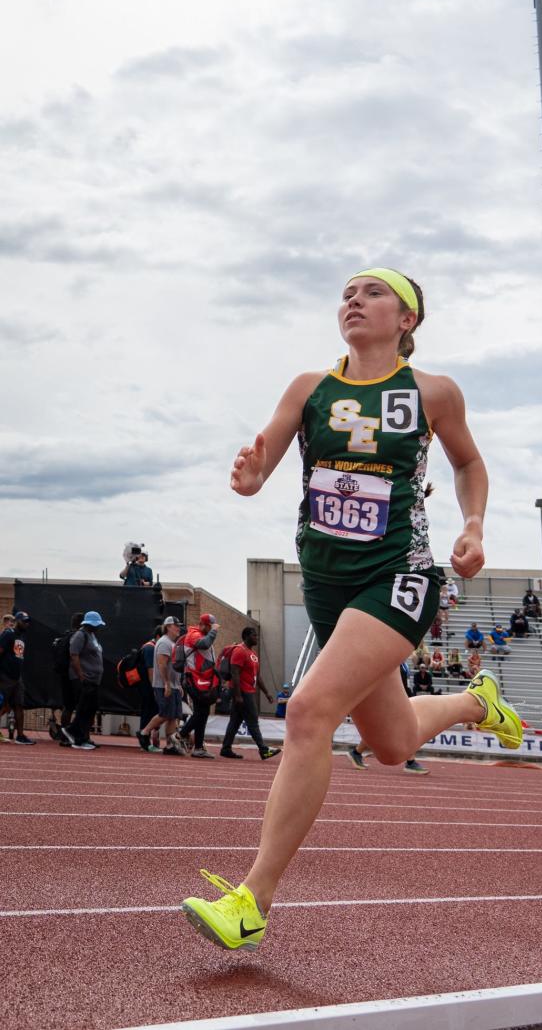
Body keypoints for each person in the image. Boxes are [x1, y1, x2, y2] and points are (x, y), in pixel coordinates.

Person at [182, 266, 520, 950]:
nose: (353, 301)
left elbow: (467, 464)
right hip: (327, 582)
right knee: (392, 744)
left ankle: (253, 902)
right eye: (346, 294)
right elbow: (264, 458)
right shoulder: (310, 389)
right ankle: (476, 704)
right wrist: (249, 477)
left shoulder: (434, 393)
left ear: (407, 320)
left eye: (372, 293)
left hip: (399, 574)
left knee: (308, 710)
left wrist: (475, 524)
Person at [220, 625, 283, 761]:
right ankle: (263, 750)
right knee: (252, 720)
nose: (256, 637)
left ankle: (226, 748)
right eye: (254, 635)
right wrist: (237, 695)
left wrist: (266, 693)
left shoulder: (252, 654)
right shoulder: (240, 651)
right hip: (242, 691)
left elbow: (257, 676)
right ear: (247, 636)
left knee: (235, 721)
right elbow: (235, 673)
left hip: (248, 690)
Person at [139, 616, 188, 756]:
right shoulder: (164, 643)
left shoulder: (173, 643)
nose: (178, 628)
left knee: (174, 715)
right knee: (166, 713)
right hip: (164, 685)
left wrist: (177, 684)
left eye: (179, 625)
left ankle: (170, 745)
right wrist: (167, 684)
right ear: (168, 627)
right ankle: (144, 732)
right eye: (175, 625)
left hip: (173, 685)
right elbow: (162, 665)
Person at [60, 612, 106, 750]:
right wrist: (81, 676)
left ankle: (82, 736)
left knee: (90, 709)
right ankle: (75, 735)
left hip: (93, 679)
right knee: (84, 708)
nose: (98, 627)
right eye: (96, 624)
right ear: (89, 624)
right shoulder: (80, 635)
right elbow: (74, 655)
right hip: (84, 679)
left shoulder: (92, 636)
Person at [180, 613, 221, 759]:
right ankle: (181, 735)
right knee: (201, 713)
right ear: (203, 625)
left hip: (201, 680)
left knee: (203, 713)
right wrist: (214, 631)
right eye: (209, 627)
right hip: (194, 680)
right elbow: (204, 644)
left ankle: (198, 748)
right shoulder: (194, 634)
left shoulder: (199, 634)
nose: (211, 630)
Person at [0, 612, 34, 744]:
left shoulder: (22, 637)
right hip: (5, 676)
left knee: (19, 705)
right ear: (17, 621)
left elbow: (18, 656)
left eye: (28, 621)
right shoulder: (8, 634)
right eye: (24, 621)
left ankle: (20, 736)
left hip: (17, 678)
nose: (27, 623)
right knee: (2, 705)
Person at [50, 612, 83, 741]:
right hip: (75, 676)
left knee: (68, 707)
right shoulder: (78, 637)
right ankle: (77, 733)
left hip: (64, 676)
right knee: (81, 706)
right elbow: (75, 657)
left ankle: (64, 733)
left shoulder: (65, 635)